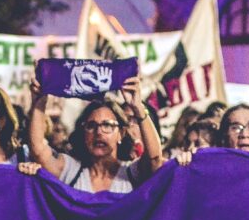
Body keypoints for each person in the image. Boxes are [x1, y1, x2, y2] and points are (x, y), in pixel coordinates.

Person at [27, 73, 163, 193]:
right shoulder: (71, 171)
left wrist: (138, 107)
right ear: (83, 134)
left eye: (107, 125)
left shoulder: (130, 173)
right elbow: (38, 149)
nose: (99, 132)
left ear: (121, 133)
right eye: (91, 126)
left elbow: (155, 159)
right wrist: (40, 101)